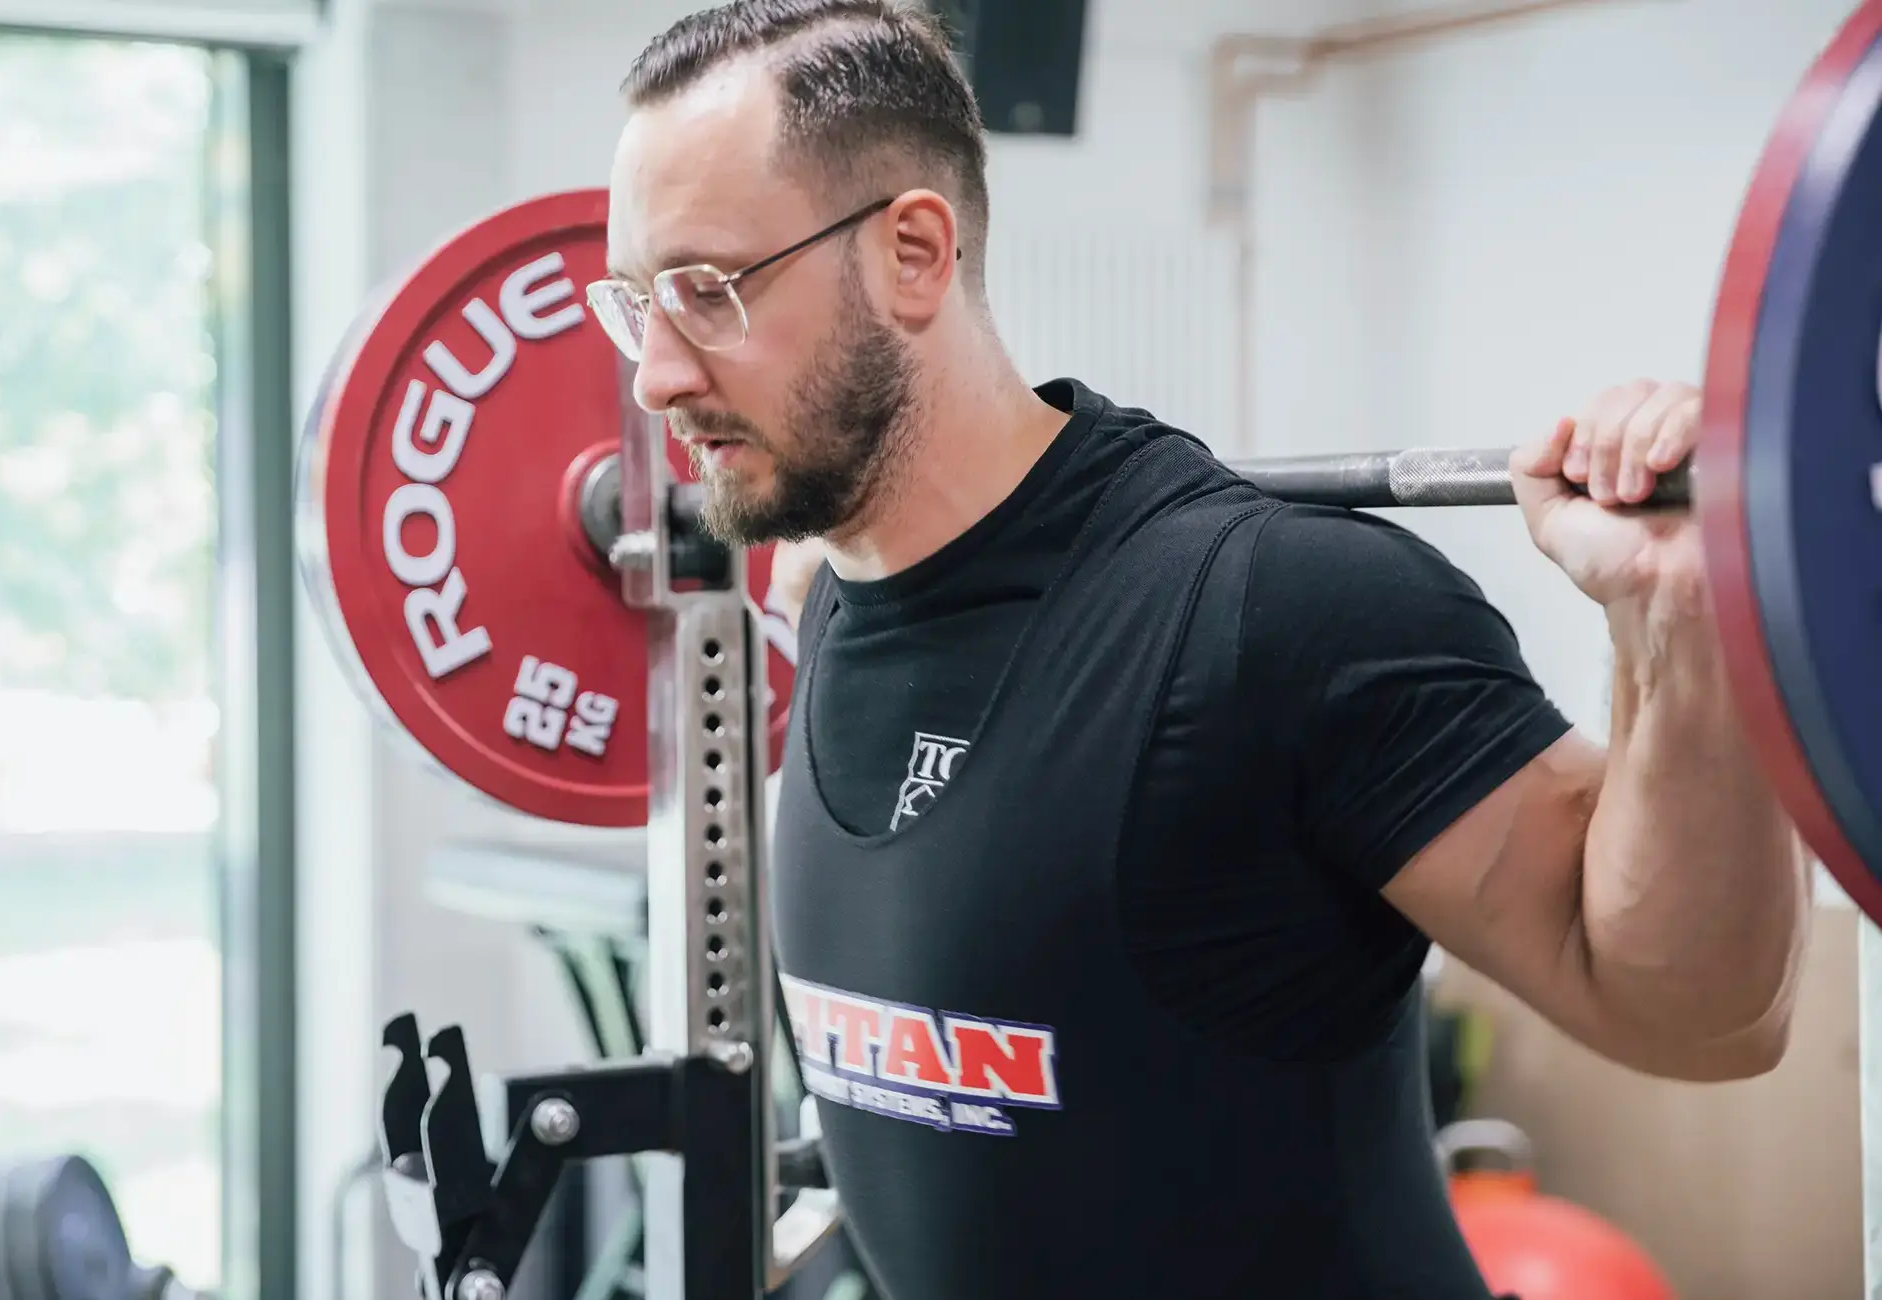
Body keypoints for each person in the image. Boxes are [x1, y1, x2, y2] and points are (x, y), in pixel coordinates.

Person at [582, 2, 1810, 1296]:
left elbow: (1705, 1014)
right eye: (632, 304)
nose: (656, 373)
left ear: (914, 252)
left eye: (706, 292)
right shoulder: (825, 590)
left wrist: (1679, 618)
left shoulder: (1275, 612)